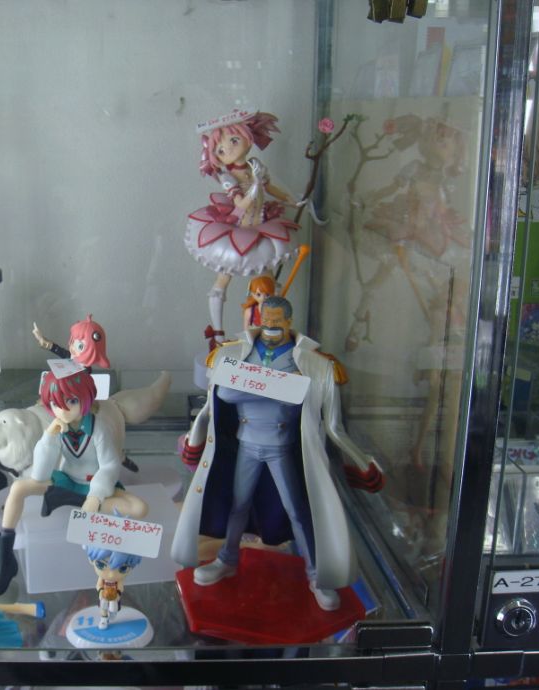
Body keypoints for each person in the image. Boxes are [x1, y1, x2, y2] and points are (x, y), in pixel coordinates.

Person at [171, 296, 383, 611]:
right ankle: (227, 559)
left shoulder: (314, 363)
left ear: (288, 321)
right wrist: (278, 388)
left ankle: (316, 575)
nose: (270, 326)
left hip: (281, 447)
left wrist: (361, 462)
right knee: (238, 504)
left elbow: (333, 425)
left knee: (297, 510)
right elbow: (223, 395)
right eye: (265, 319)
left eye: (277, 321)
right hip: (246, 443)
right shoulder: (232, 353)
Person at [0, 370, 147, 596]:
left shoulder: (99, 428)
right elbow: (40, 475)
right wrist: (48, 438)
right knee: (19, 487)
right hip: (66, 480)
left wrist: (95, 497)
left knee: (139, 508)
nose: (63, 410)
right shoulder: (58, 427)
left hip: (94, 487)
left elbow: (109, 466)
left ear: (86, 398)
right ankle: (5, 561)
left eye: (71, 401)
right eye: (55, 404)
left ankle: (107, 555)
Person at [185, 111, 298, 349]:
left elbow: (271, 188)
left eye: (234, 140)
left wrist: (290, 199)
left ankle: (270, 330)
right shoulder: (227, 176)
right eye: (220, 150)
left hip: (261, 226)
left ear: (248, 137)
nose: (229, 149)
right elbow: (240, 204)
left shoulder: (255, 165)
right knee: (223, 279)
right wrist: (255, 186)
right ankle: (218, 334)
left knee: (268, 281)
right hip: (237, 230)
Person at [84, 545, 142, 630]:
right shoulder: (102, 579)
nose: (111, 575)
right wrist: (101, 591)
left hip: (114, 596)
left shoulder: (118, 580)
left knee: (114, 608)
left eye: (123, 568)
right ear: (91, 560)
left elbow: (120, 587)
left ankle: (112, 614)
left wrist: (118, 594)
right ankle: (103, 618)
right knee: (103, 606)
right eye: (101, 565)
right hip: (103, 595)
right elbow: (98, 585)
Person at [32, 314, 110, 369]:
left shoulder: (85, 371)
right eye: (73, 341)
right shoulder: (71, 357)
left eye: (80, 346)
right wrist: (42, 340)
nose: (72, 348)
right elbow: (59, 350)